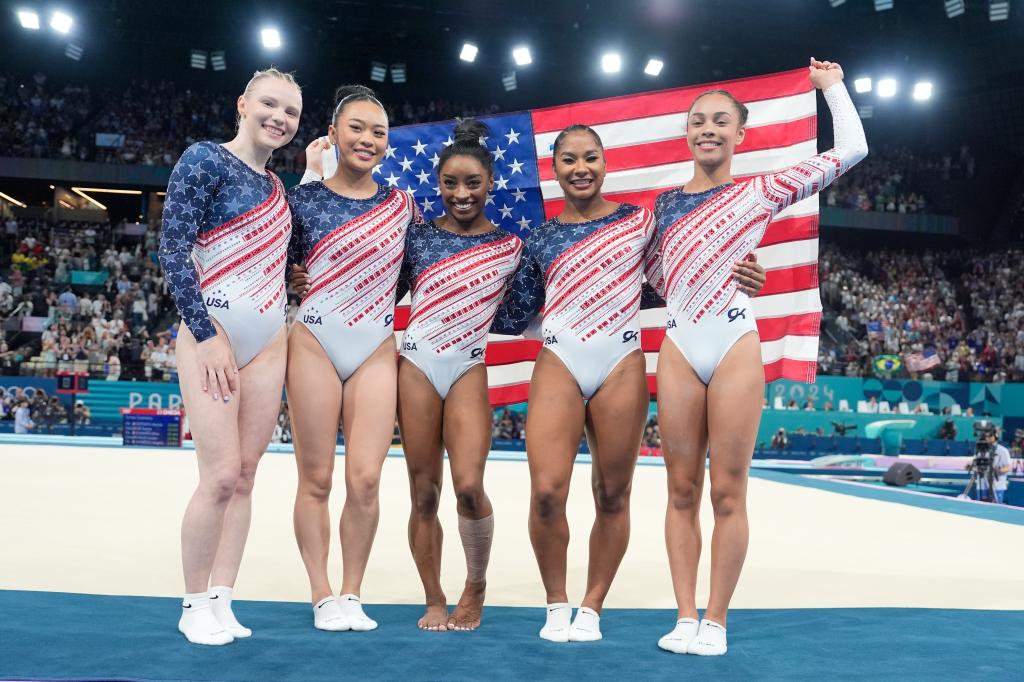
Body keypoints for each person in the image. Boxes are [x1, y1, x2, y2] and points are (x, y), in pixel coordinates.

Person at [492, 124, 766, 643]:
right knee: (547, 492)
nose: (580, 168)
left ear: (605, 163)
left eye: (590, 157)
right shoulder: (541, 238)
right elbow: (511, 314)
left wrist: (746, 275)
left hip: (621, 360)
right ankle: (556, 604)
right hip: (560, 359)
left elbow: (683, 273)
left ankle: (592, 606)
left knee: (612, 495)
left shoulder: (640, 223)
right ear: (554, 169)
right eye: (569, 160)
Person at [652, 58, 867, 656]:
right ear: (687, 132)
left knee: (727, 491)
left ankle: (717, 621)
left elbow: (853, 147)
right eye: (698, 121)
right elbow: (652, 281)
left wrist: (833, 88)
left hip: (732, 344)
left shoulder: (762, 190)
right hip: (678, 345)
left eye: (722, 121)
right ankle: (685, 615)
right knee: (679, 491)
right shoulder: (664, 206)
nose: (708, 129)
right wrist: (722, 270)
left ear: (741, 133)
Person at [159, 67, 302, 646]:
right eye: (269, 104)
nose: (279, 118)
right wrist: (206, 332)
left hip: (269, 341)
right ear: (242, 104)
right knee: (217, 477)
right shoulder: (203, 160)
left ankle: (222, 598)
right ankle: (193, 602)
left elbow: (274, 263)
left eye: (290, 112)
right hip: (209, 334)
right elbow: (172, 250)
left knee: (245, 476)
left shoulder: (279, 189)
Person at [285, 84, 419, 633]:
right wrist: (297, 280)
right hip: (315, 340)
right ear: (334, 134)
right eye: (357, 128)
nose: (367, 139)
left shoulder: (401, 204)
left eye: (378, 131)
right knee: (316, 479)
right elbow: (280, 266)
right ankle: (320, 592)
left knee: (365, 479)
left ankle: (352, 592)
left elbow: (412, 275)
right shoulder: (303, 201)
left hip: (374, 345)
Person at [391, 119, 525, 631]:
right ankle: (433, 596)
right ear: (438, 183)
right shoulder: (418, 239)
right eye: (450, 183)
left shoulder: (512, 248)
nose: (461, 193)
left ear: (491, 184)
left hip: (468, 364)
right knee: (424, 493)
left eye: (472, 183)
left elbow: (533, 306)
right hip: (418, 365)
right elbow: (374, 285)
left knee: (468, 486)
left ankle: (476, 583)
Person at [973, 427, 1011, 504]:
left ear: (995, 436)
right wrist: (974, 468)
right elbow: (975, 463)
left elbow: (1008, 467)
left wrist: (997, 471)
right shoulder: (981, 449)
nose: (987, 438)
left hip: (997, 485)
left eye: (990, 436)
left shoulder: (1002, 450)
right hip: (982, 484)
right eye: (986, 436)